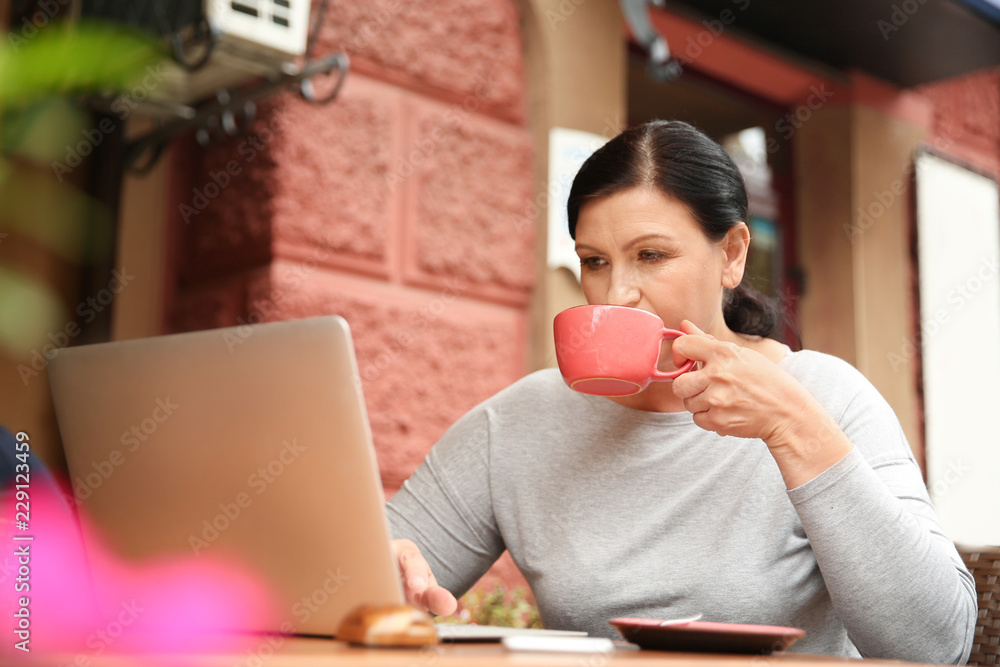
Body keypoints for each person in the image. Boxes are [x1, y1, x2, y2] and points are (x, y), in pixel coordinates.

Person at [384, 120, 977, 662]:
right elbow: (345, 583)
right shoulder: (522, 421)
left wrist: (794, 429)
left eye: (651, 256)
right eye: (595, 262)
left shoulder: (824, 397)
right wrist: (384, 572)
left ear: (732, 254)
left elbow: (936, 645)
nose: (616, 295)